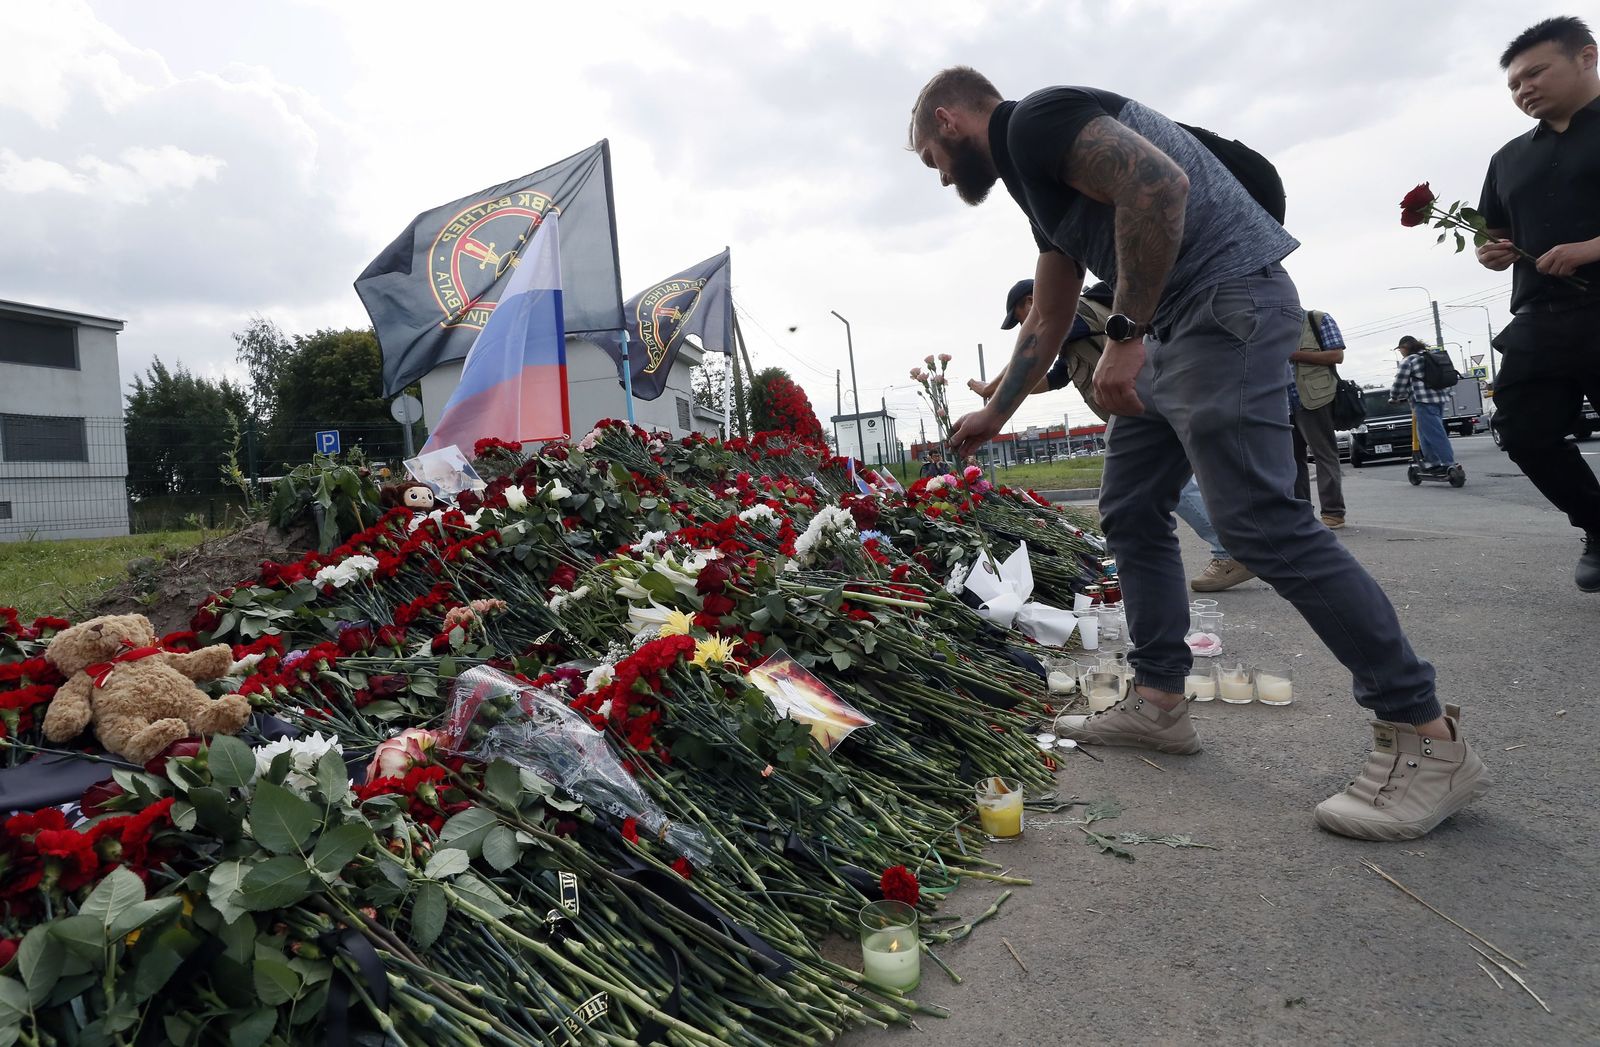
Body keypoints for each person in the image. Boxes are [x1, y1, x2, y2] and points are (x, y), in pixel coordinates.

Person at [908, 67, 1488, 839]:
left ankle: (1426, 737)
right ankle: (1159, 703)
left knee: (1257, 521)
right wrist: (996, 410)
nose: (943, 178)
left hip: (1223, 303)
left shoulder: (1037, 121)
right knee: (1130, 506)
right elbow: (1047, 317)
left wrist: (1123, 335)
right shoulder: (1034, 179)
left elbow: (1159, 187)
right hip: (1175, 325)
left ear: (949, 121)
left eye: (932, 160)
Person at [973, 277, 1257, 592]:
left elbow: (1035, 352)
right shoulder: (1074, 333)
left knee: (1167, 487)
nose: (1024, 326)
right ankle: (1158, 561)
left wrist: (992, 389)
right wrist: (1004, 388)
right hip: (1139, 407)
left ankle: (1229, 550)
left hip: (1140, 406)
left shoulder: (1072, 310)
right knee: (1155, 490)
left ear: (1031, 301)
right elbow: (1053, 378)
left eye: (1020, 317)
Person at [1475, 16, 1600, 592]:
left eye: (1535, 73)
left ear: (1586, 57)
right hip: (1541, 317)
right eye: (1514, 85)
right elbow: (1489, 232)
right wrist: (1491, 252)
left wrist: (1590, 249)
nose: (1524, 89)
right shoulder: (1507, 158)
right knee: (1522, 430)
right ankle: (1597, 524)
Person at [1290, 311, 1348, 527]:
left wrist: (1294, 355)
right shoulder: (1271, 325)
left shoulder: (1317, 319)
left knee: (1324, 455)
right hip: (1282, 402)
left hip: (1315, 398)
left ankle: (1333, 513)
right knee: (1291, 461)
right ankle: (1301, 515)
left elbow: (1336, 356)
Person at [1390, 336, 1459, 475]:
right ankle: (1432, 462)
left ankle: (1448, 463)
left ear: (1404, 348)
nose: (1401, 353)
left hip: (1423, 401)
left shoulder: (1409, 360)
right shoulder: (1431, 356)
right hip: (1440, 399)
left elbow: (1400, 382)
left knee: (1435, 433)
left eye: (1400, 350)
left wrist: (1394, 398)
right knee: (1423, 433)